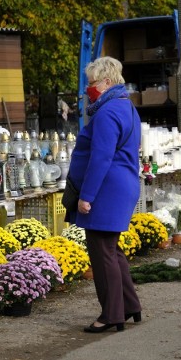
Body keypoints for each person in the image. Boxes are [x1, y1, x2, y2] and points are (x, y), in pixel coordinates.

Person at [66, 56, 142, 333]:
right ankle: (129, 305)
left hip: (107, 188)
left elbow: (101, 157)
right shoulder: (126, 106)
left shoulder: (108, 112)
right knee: (112, 250)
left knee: (102, 253)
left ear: (107, 82)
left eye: (92, 83)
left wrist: (87, 196)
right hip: (121, 184)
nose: (89, 88)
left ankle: (111, 314)